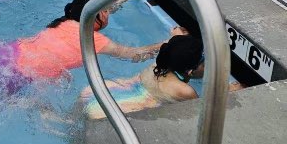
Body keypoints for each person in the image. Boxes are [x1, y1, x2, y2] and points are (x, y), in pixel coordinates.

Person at [0, 0, 163, 93]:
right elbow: (133, 55)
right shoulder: (93, 39)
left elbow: (98, 10)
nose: (109, 12)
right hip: (21, 74)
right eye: (106, 11)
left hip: (9, 51)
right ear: (98, 15)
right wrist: (168, 43)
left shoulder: (65, 20)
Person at [83, 32, 243, 119]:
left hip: (95, 93)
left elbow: (169, 46)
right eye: (204, 63)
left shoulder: (159, 65)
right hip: (114, 112)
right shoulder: (185, 91)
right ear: (190, 71)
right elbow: (205, 107)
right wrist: (229, 89)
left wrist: (179, 36)